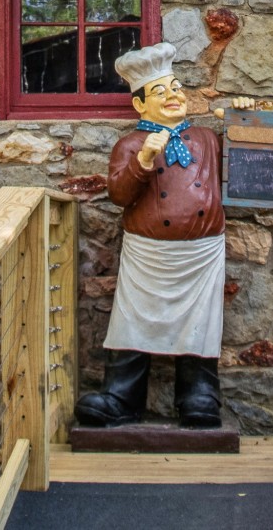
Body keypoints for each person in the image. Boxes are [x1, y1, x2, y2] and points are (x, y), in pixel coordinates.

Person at [72, 42, 226, 429]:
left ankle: (198, 394)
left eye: (176, 88)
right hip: (148, 252)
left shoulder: (207, 139)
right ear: (140, 105)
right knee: (132, 320)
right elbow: (120, 195)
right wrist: (143, 160)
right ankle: (122, 396)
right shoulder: (129, 144)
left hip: (201, 254)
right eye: (161, 91)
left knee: (201, 322)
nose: (173, 96)